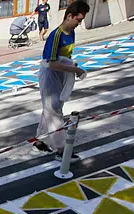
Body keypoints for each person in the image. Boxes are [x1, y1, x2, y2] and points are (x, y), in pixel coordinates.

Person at [32, 1, 90, 163]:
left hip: (60, 74)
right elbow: (51, 62)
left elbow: (64, 58)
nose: (79, 24)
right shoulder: (56, 35)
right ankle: (61, 150)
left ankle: (40, 140)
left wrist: (71, 65)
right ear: (69, 16)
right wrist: (75, 70)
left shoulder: (71, 32)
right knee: (54, 111)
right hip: (50, 74)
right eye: (78, 20)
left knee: (51, 108)